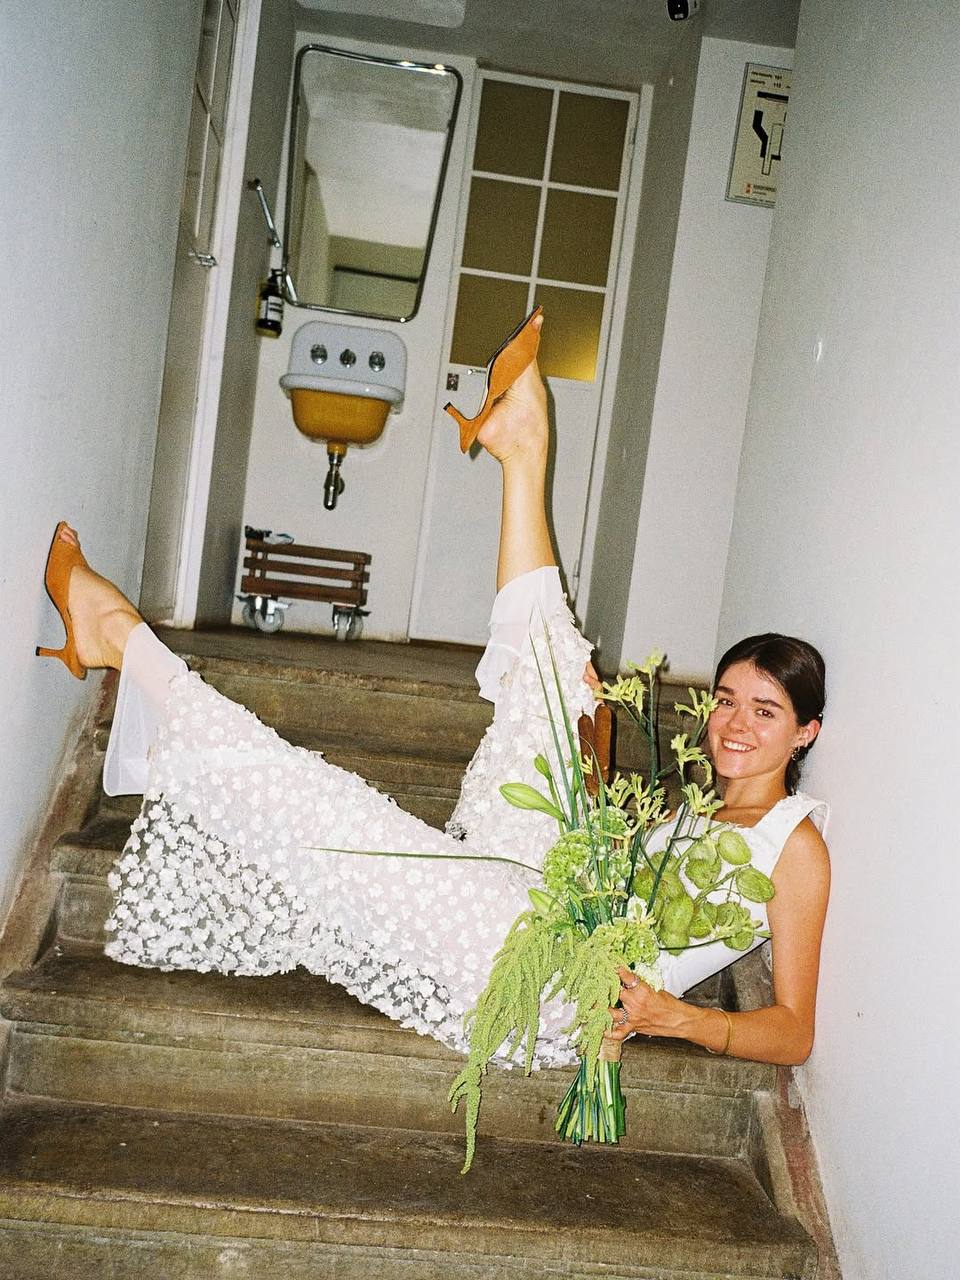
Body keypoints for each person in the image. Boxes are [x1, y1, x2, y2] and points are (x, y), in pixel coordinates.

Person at [37, 313, 829, 1071]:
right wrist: (594, 750)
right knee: (561, 684)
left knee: (346, 820)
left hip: (554, 984)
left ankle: (124, 644)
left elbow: (794, 1031)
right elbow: (613, 873)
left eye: (765, 711)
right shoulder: (701, 808)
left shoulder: (795, 849)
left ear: (805, 733)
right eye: (727, 699)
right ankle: (521, 452)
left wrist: (675, 1019)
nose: (733, 722)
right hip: (551, 903)